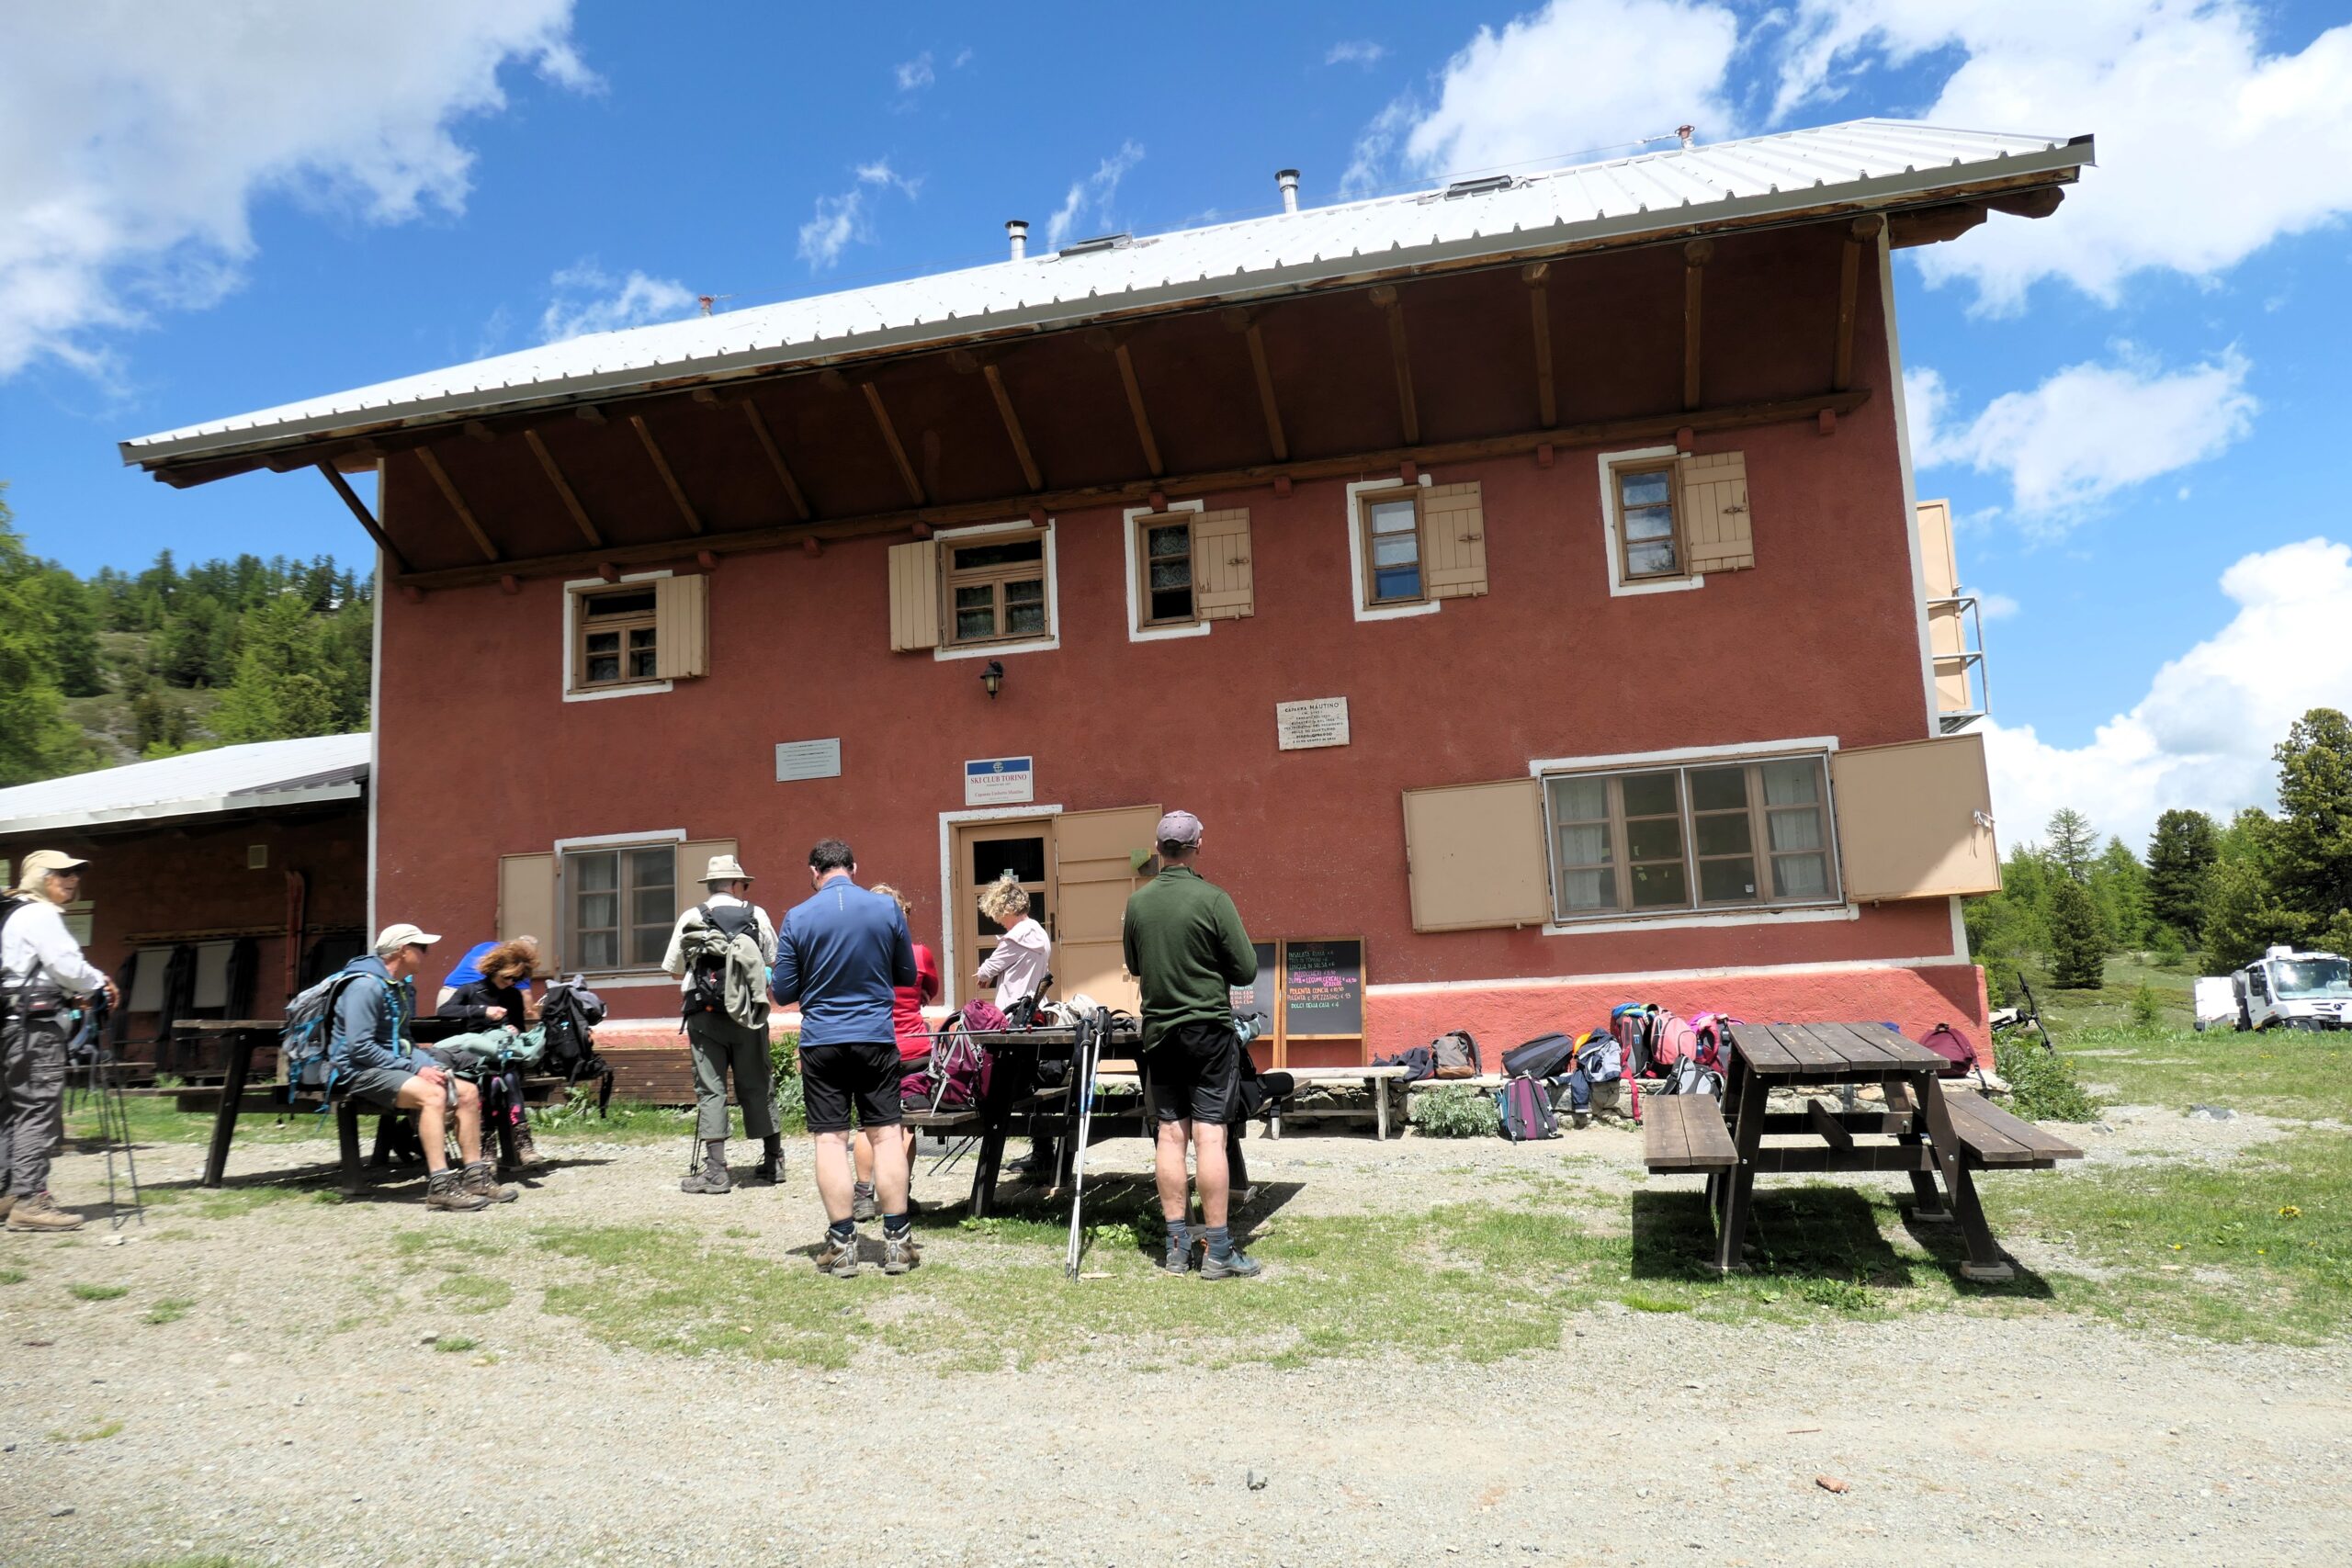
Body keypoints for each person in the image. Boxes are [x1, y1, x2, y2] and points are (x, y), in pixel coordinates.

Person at [1122, 811, 1261, 1280]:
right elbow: (1245, 970)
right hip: (1208, 1031)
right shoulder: (1214, 899)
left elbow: (1135, 965)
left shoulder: (1138, 904)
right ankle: (1218, 1250)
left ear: (1158, 848)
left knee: (1169, 1134)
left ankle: (1176, 1248)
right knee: (1210, 1136)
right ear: (1198, 845)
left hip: (1159, 1033)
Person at [771, 839, 919, 1279]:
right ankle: (898, 1244)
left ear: (813, 872)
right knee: (887, 1136)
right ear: (853, 867)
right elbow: (907, 974)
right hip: (875, 1036)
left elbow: (783, 992)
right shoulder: (886, 908)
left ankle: (841, 1246)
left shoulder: (797, 917)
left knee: (830, 1141)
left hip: (822, 1041)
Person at [334, 923, 514, 1212]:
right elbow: (359, 1048)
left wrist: (432, 1065)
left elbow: (404, 1041)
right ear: (402, 950)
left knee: (467, 1092)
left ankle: (475, 1176)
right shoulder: (365, 986)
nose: (426, 954)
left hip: (390, 1065)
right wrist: (415, 1068)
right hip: (358, 1070)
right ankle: (440, 1185)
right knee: (434, 1095)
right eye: (422, 948)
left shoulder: (401, 988)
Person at [0, 851, 119, 1233]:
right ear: (39, 877)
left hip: (8, 1023)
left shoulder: (10, 913)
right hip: (34, 1028)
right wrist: (98, 983)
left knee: (9, 1110)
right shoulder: (40, 914)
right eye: (62, 873)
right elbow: (66, 965)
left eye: (75, 874)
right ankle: (30, 1200)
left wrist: (69, 993)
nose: (73, 880)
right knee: (37, 1109)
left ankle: (7, 1194)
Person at [662, 854, 781, 1194]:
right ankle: (774, 1162)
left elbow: (674, 970)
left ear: (710, 885)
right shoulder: (756, 915)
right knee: (758, 1082)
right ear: (737, 884)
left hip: (705, 1015)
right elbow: (772, 959)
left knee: (711, 1089)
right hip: (748, 1015)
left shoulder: (692, 917)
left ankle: (716, 1171)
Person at [852, 883, 939, 1222]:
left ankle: (863, 1197)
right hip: (914, 1049)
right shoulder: (919, 954)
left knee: (867, 1126)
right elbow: (929, 990)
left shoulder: (857, 955)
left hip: (873, 1046)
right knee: (905, 1126)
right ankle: (900, 1193)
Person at [437, 936, 543, 1168]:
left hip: (503, 1056)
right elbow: (445, 1010)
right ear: (495, 969)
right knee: (493, 1082)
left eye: (516, 979)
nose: (511, 982)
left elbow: (519, 1027)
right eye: (508, 977)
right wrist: (482, 1011)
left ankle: (518, 1144)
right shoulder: (471, 990)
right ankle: (492, 1146)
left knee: (506, 1078)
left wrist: (514, 1029)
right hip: (475, 1056)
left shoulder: (512, 995)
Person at [974, 872, 1051, 1018]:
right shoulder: (1040, 932)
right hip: (1037, 1008)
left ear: (1007, 910)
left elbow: (985, 971)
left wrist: (985, 975)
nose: (998, 921)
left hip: (1014, 1011)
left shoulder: (1014, 938)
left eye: (999, 914)